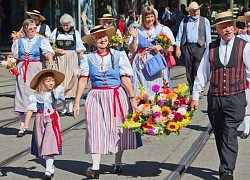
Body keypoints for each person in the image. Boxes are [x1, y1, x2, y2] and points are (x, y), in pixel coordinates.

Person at [73, 25, 141, 179]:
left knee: (117, 129)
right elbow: (83, 80)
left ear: (108, 38)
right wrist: (77, 101)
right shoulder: (88, 58)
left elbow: (125, 78)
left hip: (116, 95)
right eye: (98, 37)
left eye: (104, 36)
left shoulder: (119, 55)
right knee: (94, 129)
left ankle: (118, 160)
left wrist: (132, 98)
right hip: (96, 96)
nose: (102, 39)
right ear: (94, 41)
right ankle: (95, 167)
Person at [190, 11, 250, 180]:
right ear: (218, 29)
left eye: (229, 26)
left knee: (229, 132)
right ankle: (225, 164)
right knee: (219, 132)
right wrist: (195, 96)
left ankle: (227, 170)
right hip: (215, 98)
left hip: (235, 98)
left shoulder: (244, 47)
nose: (227, 29)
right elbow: (202, 73)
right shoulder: (211, 47)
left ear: (234, 27)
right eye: (223, 27)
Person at [19, 68, 80, 180]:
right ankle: (50, 165)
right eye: (48, 80)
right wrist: (26, 124)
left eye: (52, 80)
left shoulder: (55, 92)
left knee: (49, 143)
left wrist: (74, 76)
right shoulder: (36, 96)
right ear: (42, 82)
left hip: (52, 120)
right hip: (39, 120)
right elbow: (30, 110)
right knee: (42, 144)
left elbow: (69, 88)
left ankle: (47, 171)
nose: (51, 82)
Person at [11, 19, 54, 137]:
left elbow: (47, 52)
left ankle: (40, 124)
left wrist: (49, 58)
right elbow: (15, 56)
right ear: (25, 29)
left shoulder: (41, 40)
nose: (33, 31)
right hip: (22, 70)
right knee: (22, 96)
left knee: (37, 96)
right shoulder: (19, 41)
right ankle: (22, 125)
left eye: (34, 28)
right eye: (30, 29)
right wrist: (10, 64)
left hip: (36, 69)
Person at [128, 6, 175, 96]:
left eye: (152, 16)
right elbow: (132, 50)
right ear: (143, 18)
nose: (150, 19)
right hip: (141, 64)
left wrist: (161, 47)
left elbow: (170, 49)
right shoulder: (138, 30)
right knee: (141, 89)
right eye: (147, 17)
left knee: (159, 88)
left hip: (157, 62)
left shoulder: (162, 29)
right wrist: (134, 38)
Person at [50, 13, 86, 117]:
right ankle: (63, 108)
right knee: (60, 81)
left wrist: (81, 60)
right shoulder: (56, 32)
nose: (66, 27)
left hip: (71, 58)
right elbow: (50, 43)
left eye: (68, 25)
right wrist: (55, 50)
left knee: (71, 80)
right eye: (64, 25)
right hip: (60, 58)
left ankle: (70, 107)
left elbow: (79, 47)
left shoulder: (75, 33)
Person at [175, 1, 211, 98]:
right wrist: (177, 48)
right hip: (187, 47)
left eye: (197, 10)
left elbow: (208, 38)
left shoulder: (205, 21)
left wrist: (209, 51)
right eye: (194, 11)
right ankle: (192, 89)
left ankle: (199, 89)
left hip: (200, 47)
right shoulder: (184, 21)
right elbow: (179, 36)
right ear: (189, 12)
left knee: (198, 69)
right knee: (189, 69)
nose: (196, 12)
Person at [237, 11, 250, 139]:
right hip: (246, 76)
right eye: (248, 22)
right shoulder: (241, 38)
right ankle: (246, 129)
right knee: (246, 103)